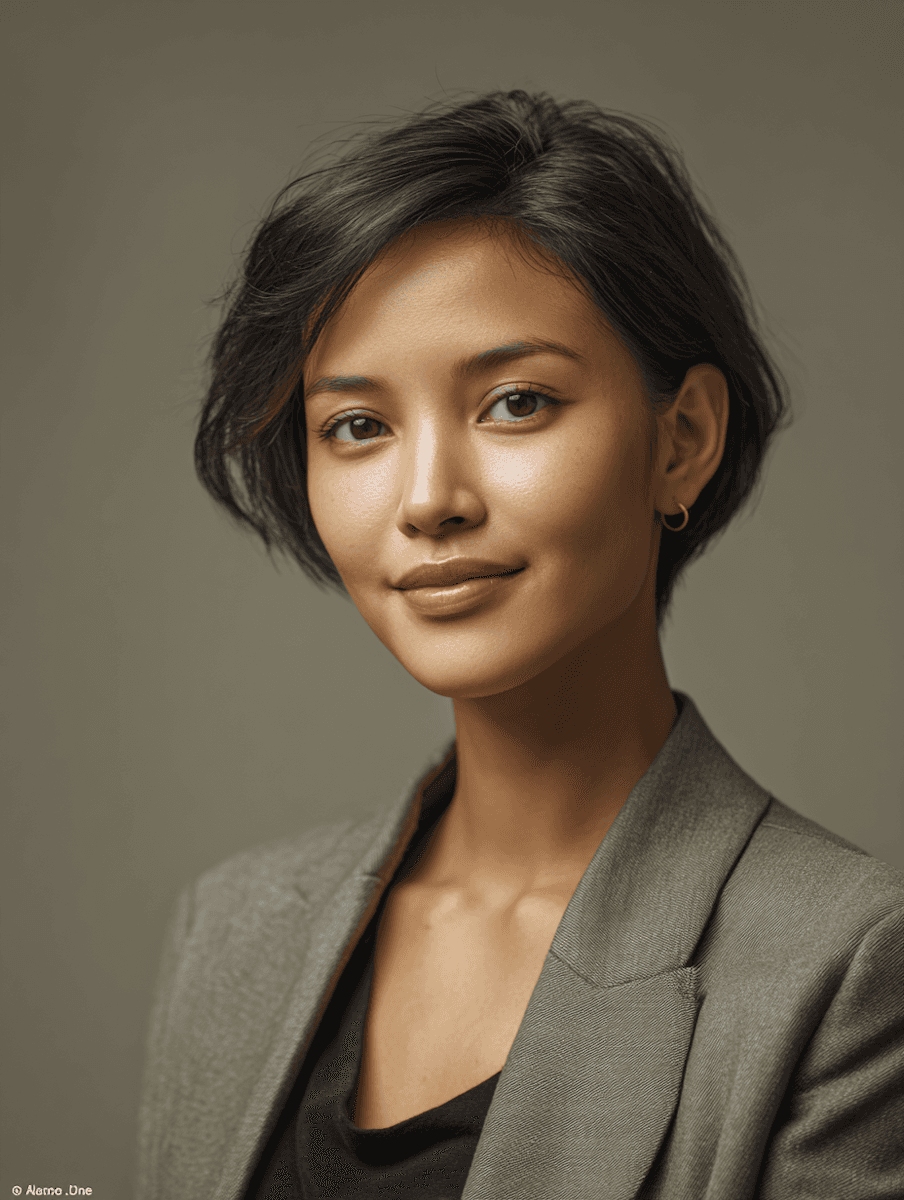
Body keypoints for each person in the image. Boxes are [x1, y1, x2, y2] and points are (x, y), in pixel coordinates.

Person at [135, 91, 904, 1200]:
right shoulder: (233, 929)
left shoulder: (843, 963)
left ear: (681, 439)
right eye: (356, 426)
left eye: (514, 403)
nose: (428, 499)